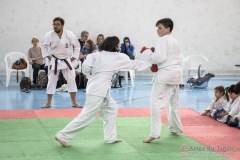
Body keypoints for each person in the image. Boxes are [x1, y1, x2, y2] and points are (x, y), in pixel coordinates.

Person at [55, 36, 151, 147]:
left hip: (95, 86)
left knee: (111, 108)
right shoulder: (119, 57)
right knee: (87, 115)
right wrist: (151, 63)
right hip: (99, 89)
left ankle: (110, 137)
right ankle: (63, 135)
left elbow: (85, 68)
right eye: (118, 44)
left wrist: (93, 74)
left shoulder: (94, 55)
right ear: (115, 46)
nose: (120, 45)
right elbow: (135, 64)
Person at [138, 18, 183, 143]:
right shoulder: (175, 40)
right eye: (157, 28)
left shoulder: (163, 40)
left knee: (155, 103)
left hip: (165, 74)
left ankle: (154, 133)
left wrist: (147, 53)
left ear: (167, 29)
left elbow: (159, 58)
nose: (157, 30)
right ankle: (176, 128)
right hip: (176, 73)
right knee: (174, 103)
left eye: (160, 28)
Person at [40, 17, 81, 108]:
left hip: (67, 60)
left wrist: (74, 57)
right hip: (54, 60)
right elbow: (43, 46)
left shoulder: (69, 34)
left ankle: (74, 102)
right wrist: (47, 56)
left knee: (71, 80)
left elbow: (77, 46)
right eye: (54, 24)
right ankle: (48, 102)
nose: (55, 26)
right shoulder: (49, 35)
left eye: (58, 24)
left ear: (62, 25)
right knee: (51, 81)